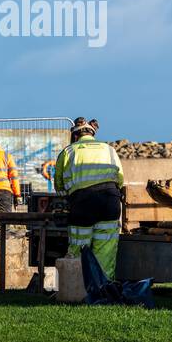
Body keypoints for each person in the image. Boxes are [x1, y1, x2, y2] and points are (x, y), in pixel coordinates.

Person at [54, 117, 125, 280]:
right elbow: (120, 179)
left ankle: (75, 288)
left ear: (75, 136)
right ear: (92, 133)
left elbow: (58, 183)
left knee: (79, 247)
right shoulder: (109, 149)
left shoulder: (69, 151)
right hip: (110, 202)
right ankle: (103, 290)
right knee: (105, 250)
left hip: (82, 203)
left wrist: (67, 196)